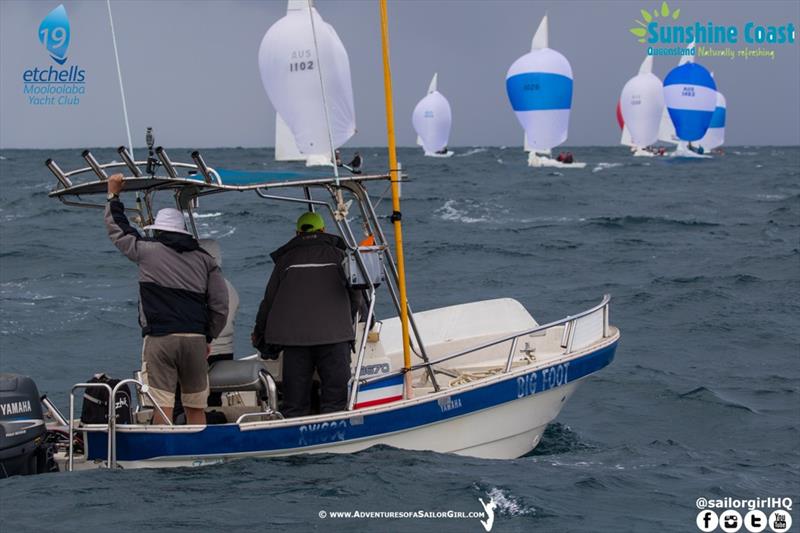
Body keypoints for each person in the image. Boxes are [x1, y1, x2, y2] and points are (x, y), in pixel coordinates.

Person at [104, 174, 228, 425]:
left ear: (158, 230)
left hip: (160, 339)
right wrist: (208, 336)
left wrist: (113, 196)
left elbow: (119, 229)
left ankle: (164, 461)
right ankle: (199, 456)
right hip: (194, 340)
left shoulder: (146, 250)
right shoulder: (205, 260)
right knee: (196, 407)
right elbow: (220, 305)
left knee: (163, 406)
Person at [252, 211, 362, 418]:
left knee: (295, 403)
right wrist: (349, 320)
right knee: (336, 401)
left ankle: (295, 437)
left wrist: (259, 332)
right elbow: (356, 297)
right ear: (323, 230)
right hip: (335, 337)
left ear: (297, 233)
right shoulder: (339, 256)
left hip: (295, 342)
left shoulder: (285, 260)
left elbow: (269, 301)